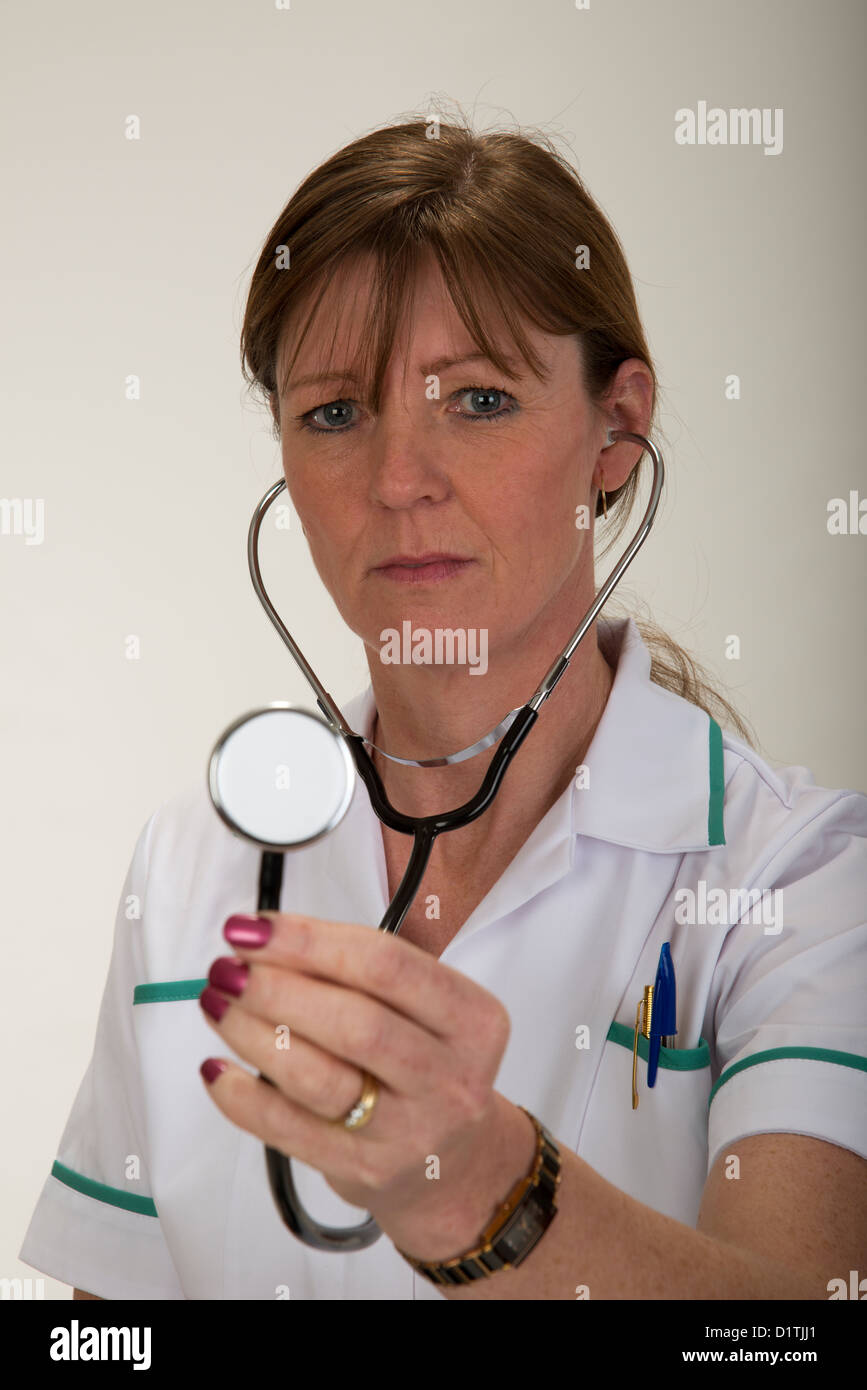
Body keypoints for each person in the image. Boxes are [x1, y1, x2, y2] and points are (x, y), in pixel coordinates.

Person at [19, 112, 867, 1301]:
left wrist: (489, 1189)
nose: (397, 480)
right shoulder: (195, 864)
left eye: (475, 400)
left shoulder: (806, 881)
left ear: (617, 429)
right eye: (333, 413)